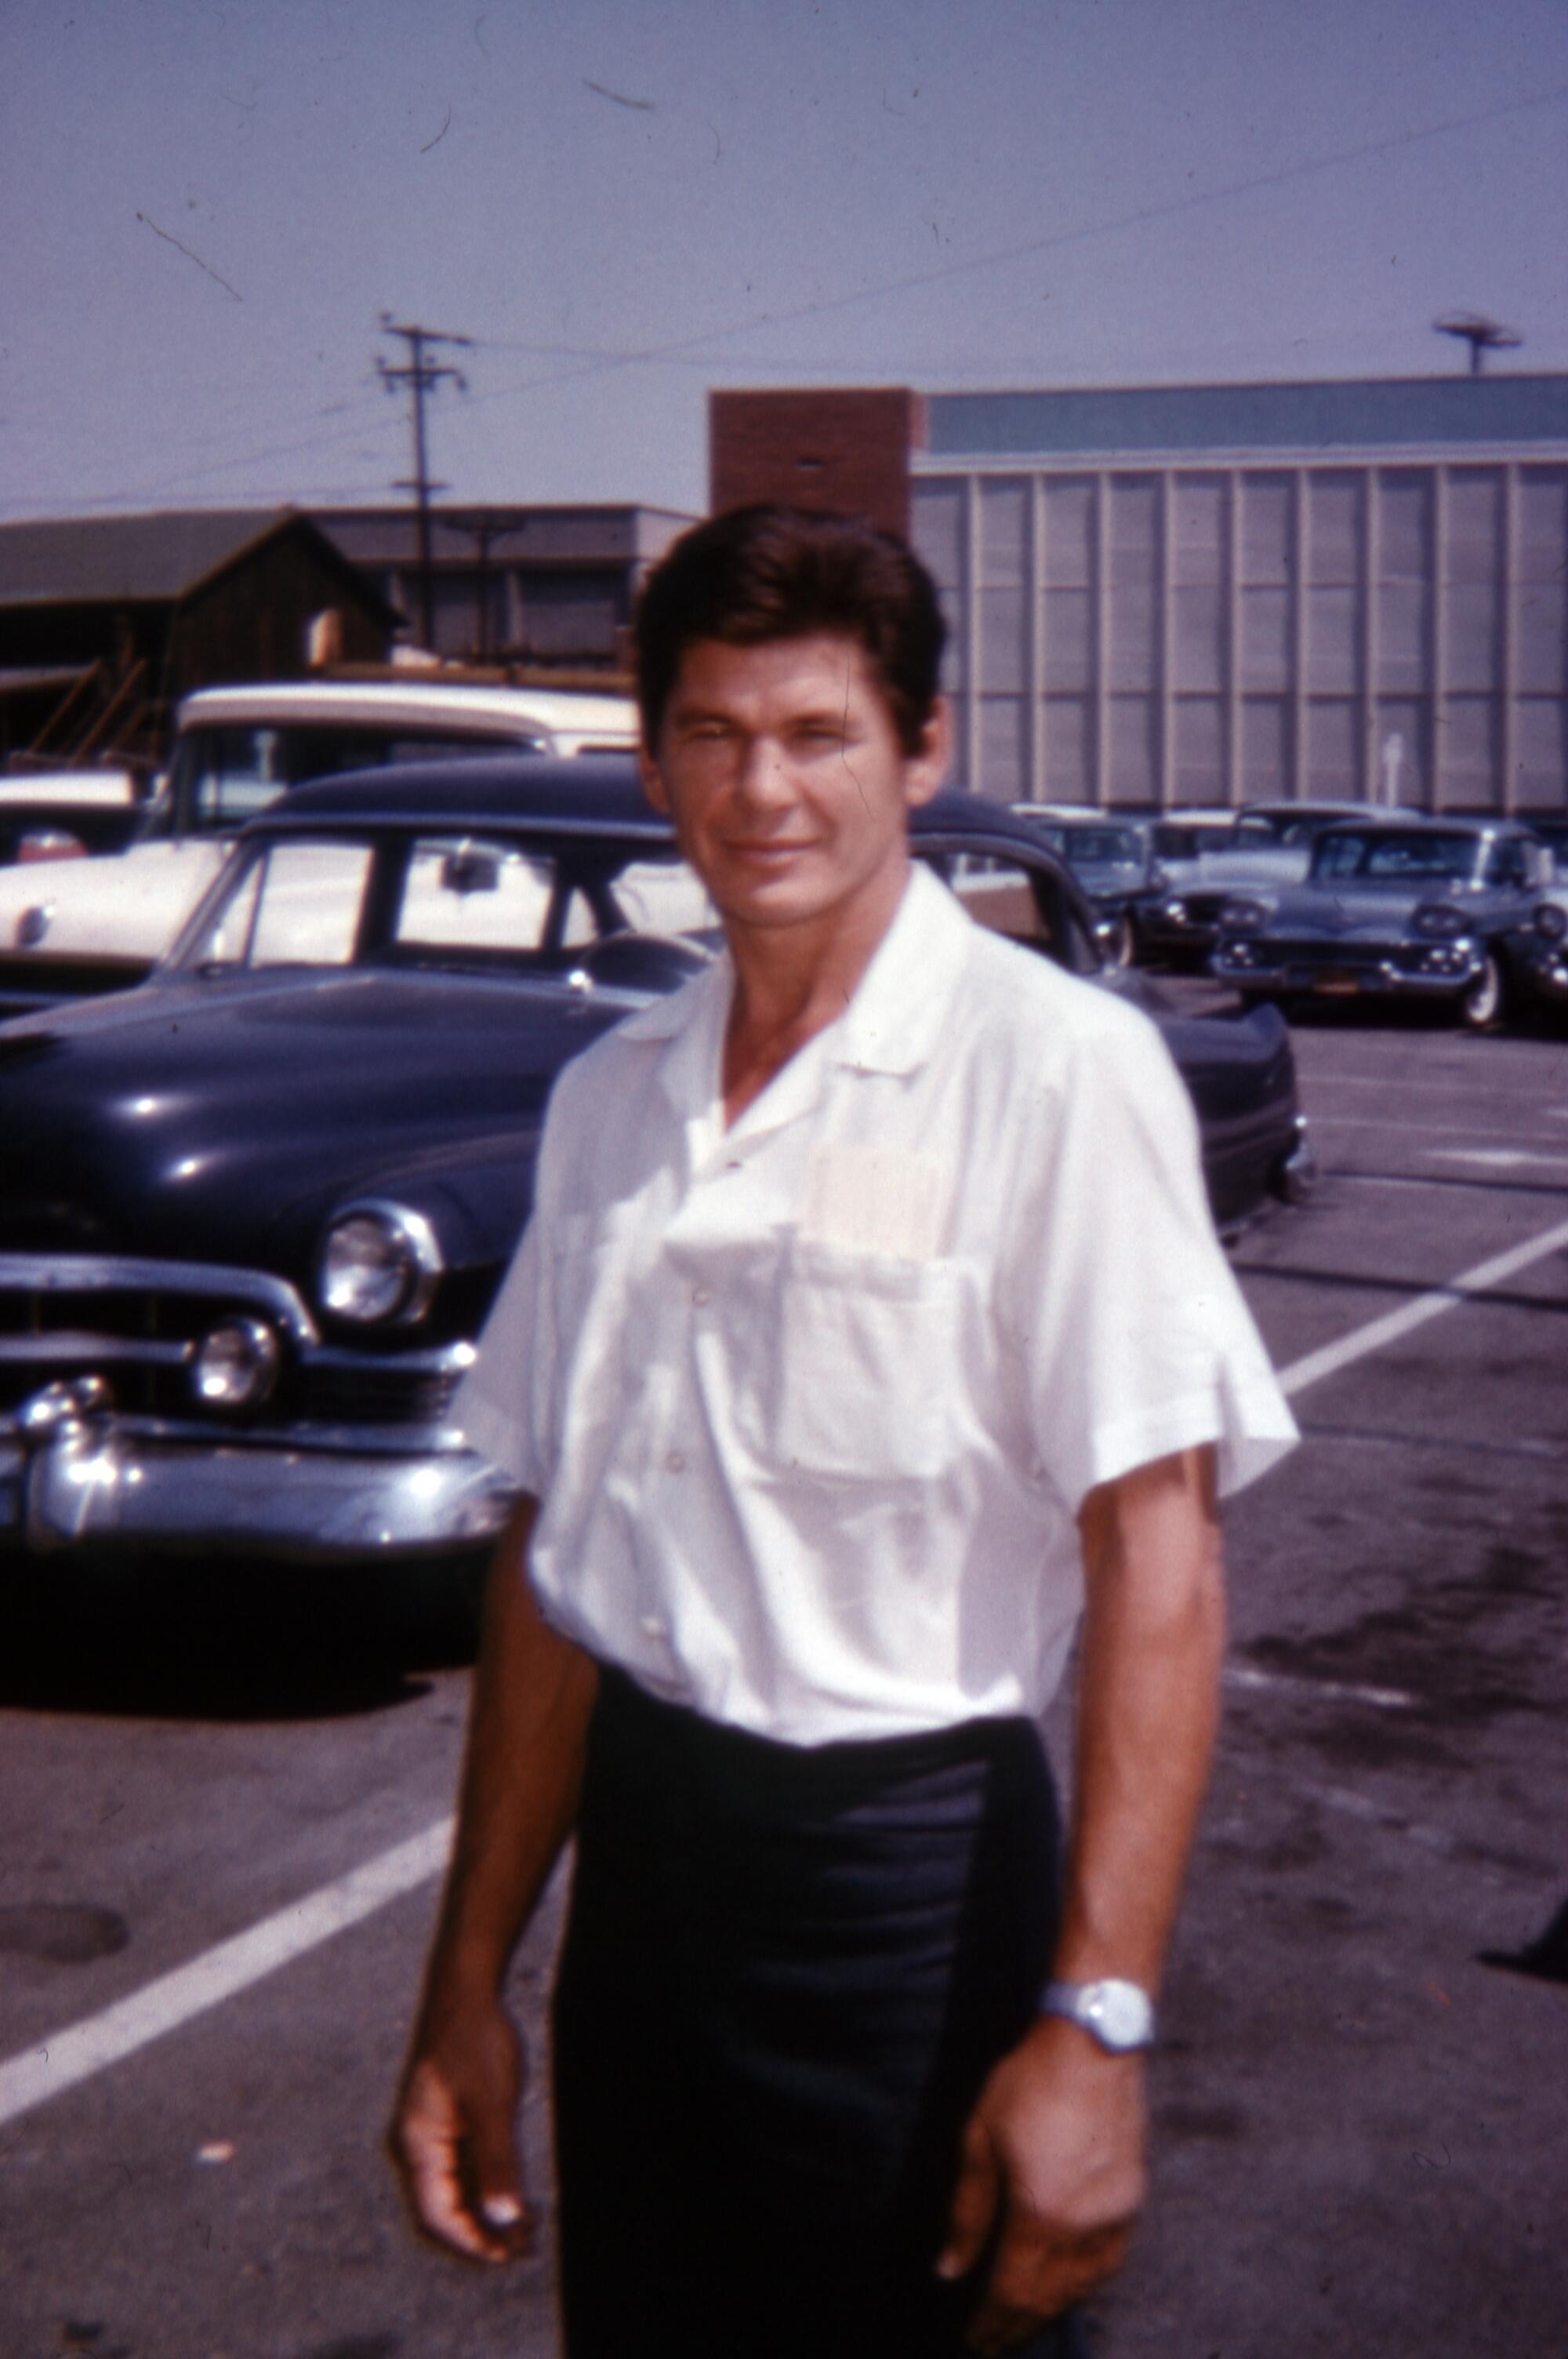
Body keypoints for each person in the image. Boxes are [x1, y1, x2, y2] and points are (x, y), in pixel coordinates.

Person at [390, 503, 1298, 2357]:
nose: (762, 790)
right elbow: (556, 1560)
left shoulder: (1053, 1070)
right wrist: (468, 1977)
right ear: (651, 763)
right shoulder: (610, 1100)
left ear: (923, 749)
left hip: (907, 1902)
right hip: (642, 1919)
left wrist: (1097, 2021)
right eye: (713, 736)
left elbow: (1161, 1558)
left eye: (818, 735)